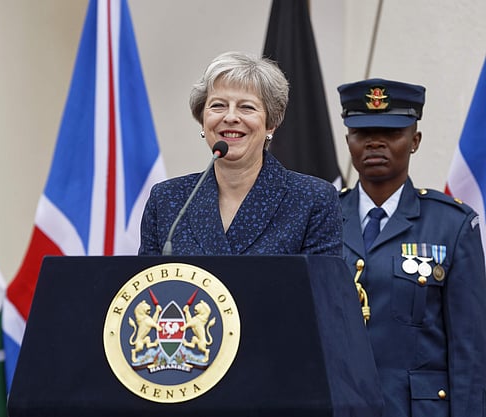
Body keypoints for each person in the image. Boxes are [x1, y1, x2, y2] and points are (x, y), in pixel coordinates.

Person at [338, 78, 486, 416]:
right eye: (362, 133)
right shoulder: (323, 217)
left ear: (414, 141)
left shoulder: (452, 224)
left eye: (391, 133)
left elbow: (469, 349)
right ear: (348, 141)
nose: (375, 143)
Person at [138, 51, 342, 256]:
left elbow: (321, 277)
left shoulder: (313, 199)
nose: (231, 117)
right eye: (218, 105)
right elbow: (147, 276)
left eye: (246, 107)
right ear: (202, 120)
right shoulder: (166, 200)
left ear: (270, 124)